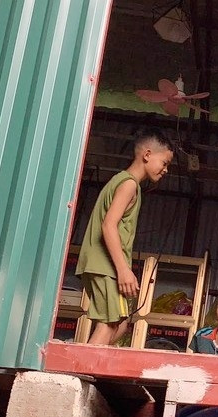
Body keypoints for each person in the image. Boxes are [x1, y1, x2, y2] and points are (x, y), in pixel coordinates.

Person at [76, 129, 174, 345]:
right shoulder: (128, 184)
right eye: (164, 162)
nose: (165, 170)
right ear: (147, 155)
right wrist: (123, 270)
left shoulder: (122, 181)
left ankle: (90, 361)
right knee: (110, 323)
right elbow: (109, 225)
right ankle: (77, 373)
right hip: (106, 265)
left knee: (120, 322)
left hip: (100, 265)